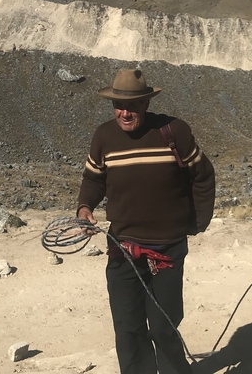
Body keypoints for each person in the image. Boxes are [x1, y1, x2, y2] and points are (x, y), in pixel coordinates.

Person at [77, 68, 216, 374]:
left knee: (164, 327)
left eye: (132, 106)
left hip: (168, 249)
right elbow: (93, 178)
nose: (124, 113)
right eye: (119, 106)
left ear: (146, 104)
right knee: (128, 329)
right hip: (122, 248)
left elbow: (203, 175)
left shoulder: (174, 131)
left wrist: (198, 221)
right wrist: (85, 206)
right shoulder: (104, 137)